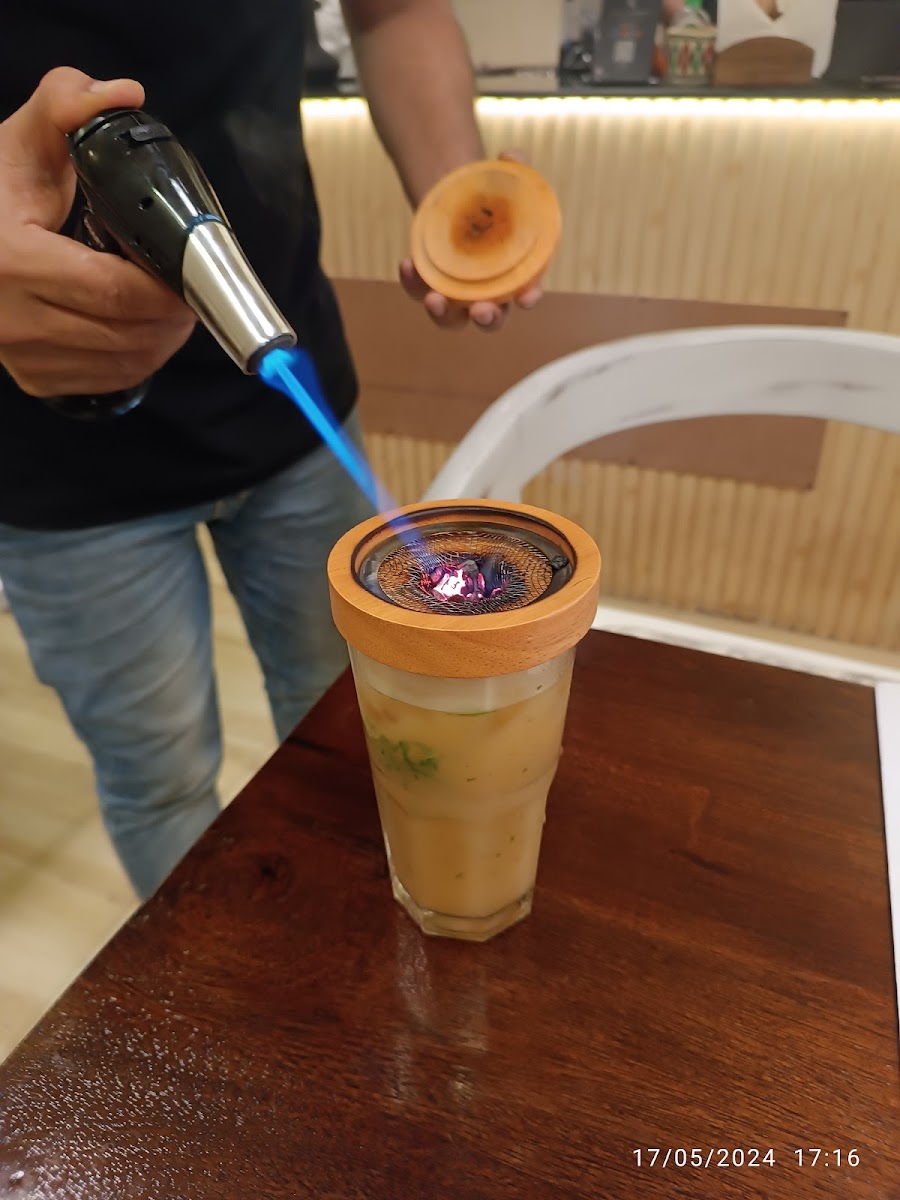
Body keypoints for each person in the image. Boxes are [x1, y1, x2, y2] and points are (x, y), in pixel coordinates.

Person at [0, 0, 544, 901]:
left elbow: (394, 11)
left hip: (293, 409)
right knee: (159, 783)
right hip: (48, 450)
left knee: (354, 729)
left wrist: (459, 204)